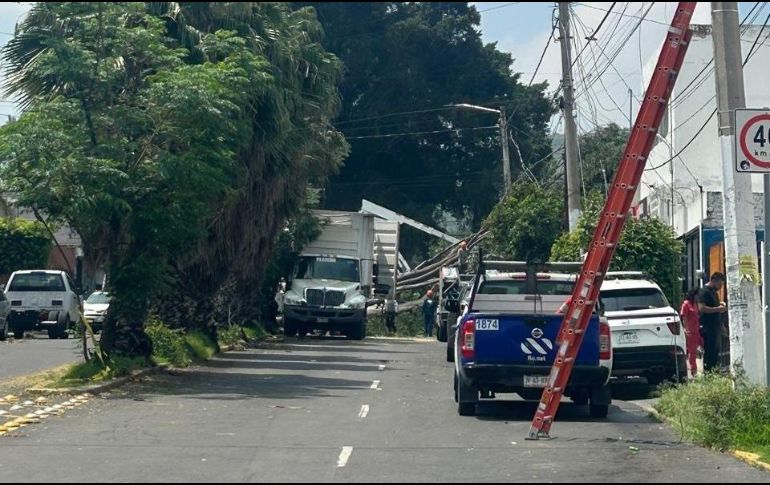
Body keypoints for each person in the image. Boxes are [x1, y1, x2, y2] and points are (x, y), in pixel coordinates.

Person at [696, 272, 728, 373]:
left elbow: (715, 307)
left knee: (715, 352)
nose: (720, 287)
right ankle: (708, 372)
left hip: (715, 327)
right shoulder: (703, 292)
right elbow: (701, 308)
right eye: (719, 284)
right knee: (709, 352)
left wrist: (721, 324)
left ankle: (713, 372)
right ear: (714, 280)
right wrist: (717, 309)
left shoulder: (714, 292)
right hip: (707, 327)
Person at [679, 288, 704, 377]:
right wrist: (686, 329)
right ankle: (694, 371)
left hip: (697, 330)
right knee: (692, 352)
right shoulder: (686, 304)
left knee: (701, 346)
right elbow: (684, 317)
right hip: (690, 331)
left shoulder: (695, 304)